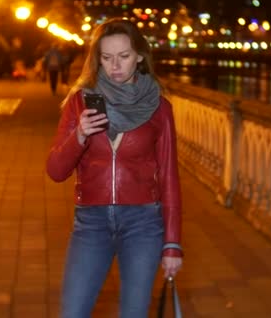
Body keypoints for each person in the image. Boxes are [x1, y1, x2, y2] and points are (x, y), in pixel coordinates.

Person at [46, 18, 183, 318]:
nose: (114, 66)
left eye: (123, 56)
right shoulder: (79, 102)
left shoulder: (160, 108)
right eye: (106, 58)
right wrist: (79, 135)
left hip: (143, 224)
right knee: (72, 313)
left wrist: (172, 243)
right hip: (91, 223)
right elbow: (56, 171)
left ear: (139, 56)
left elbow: (170, 177)